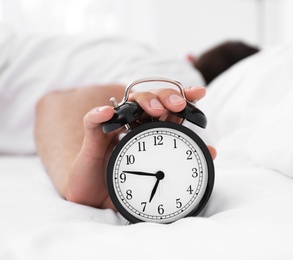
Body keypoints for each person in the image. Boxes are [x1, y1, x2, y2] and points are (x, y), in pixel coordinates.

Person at [24, 37, 257, 210]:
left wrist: (85, 189)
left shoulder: (143, 51)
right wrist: (73, 179)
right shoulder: (177, 75)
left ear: (190, 56)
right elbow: (60, 102)